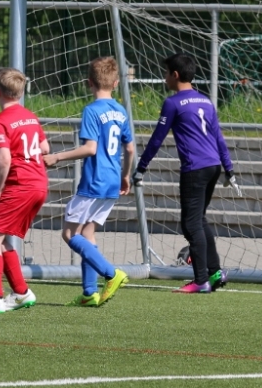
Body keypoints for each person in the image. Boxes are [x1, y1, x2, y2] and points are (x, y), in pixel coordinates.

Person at [135, 53, 239, 294]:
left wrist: (141, 168)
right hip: (213, 166)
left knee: (191, 224)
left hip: (195, 168)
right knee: (199, 220)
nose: (164, 78)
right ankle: (215, 272)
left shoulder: (172, 103)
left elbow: (157, 138)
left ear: (175, 75)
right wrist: (229, 169)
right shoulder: (206, 101)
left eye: (166, 73)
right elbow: (219, 138)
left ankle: (201, 280)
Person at [44, 56, 134, 307]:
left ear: (89, 83)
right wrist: (125, 176)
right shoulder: (120, 111)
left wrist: (57, 157)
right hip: (112, 180)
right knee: (87, 233)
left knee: (69, 234)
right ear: (116, 83)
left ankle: (111, 273)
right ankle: (89, 293)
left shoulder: (92, 111)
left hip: (94, 181)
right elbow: (129, 148)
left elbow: (90, 148)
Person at [0, 69, 48, 313]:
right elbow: (44, 148)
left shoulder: (1, 120)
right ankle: (21, 292)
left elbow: (4, 160)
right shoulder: (31, 117)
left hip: (20, 184)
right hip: (39, 184)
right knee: (1, 239)